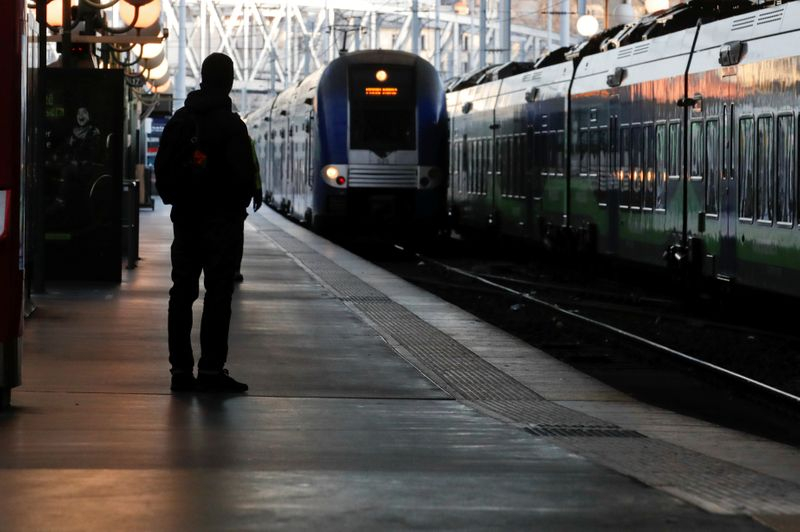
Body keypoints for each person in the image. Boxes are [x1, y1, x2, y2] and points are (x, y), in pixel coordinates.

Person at [155, 53, 257, 393]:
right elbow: (243, 178)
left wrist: (182, 199)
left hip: (186, 219)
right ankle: (211, 370)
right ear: (229, 81)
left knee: (181, 292)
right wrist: (234, 207)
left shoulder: (180, 120)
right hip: (222, 224)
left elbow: (162, 171)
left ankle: (180, 371)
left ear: (202, 78)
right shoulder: (232, 126)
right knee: (218, 294)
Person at [233, 138, 263, 283]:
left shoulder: (201, 132)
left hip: (210, 196)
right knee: (236, 235)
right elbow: (254, 167)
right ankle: (235, 269)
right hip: (236, 197)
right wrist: (257, 191)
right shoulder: (243, 136)